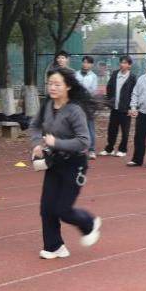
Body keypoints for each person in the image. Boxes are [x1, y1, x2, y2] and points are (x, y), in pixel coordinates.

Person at [30, 67, 102, 259]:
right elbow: (35, 125)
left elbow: (84, 141)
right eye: (50, 84)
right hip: (55, 162)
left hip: (75, 164)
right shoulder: (47, 105)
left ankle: (89, 223)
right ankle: (54, 246)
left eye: (57, 84)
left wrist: (56, 142)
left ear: (68, 86)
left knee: (63, 210)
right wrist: (37, 144)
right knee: (46, 208)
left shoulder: (75, 110)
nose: (52, 88)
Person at [101, 55, 135, 157]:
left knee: (125, 131)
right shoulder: (115, 74)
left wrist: (131, 107)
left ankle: (122, 150)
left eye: (125, 63)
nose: (122, 64)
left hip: (125, 109)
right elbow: (109, 87)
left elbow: (134, 93)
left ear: (129, 65)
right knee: (111, 130)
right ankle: (109, 149)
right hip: (114, 108)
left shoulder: (132, 77)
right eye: (121, 62)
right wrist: (110, 100)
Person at [75, 55, 99, 159]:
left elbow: (93, 91)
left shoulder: (93, 76)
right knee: (76, 127)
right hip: (76, 104)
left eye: (88, 62)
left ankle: (91, 150)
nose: (85, 64)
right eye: (84, 62)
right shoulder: (76, 74)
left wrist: (82, 91)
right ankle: (78, 149)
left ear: (91, 65)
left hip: (88, 105)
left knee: (90, 127)